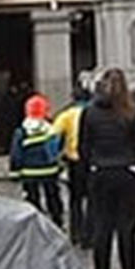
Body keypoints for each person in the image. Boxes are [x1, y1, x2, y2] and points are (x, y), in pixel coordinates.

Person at [79, 68, 135, 269]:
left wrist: (87, 173)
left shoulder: (89, 113)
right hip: (128, 173)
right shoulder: (131, 111)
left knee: (102, 229)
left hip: (101, 172)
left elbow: (83, 147)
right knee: (127, 230)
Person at [10, 94, 63, 223]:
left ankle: (35, 223)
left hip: (29, 172)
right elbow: (57, 147)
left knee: (32, 199)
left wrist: (15, 171)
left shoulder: (22, 131)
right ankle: (57, 221)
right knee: (53, 196)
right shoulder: (50, 128)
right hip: (49, 171)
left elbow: (16, 153)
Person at [52, 82, 92, 248]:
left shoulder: (66, 115)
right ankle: (90, 235)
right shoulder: (93, 113)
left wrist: (57, 156)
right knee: (92, 200)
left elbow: (54, 136)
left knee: (75, 200)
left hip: (74, 161)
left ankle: (76, 233)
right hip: (91, 160)